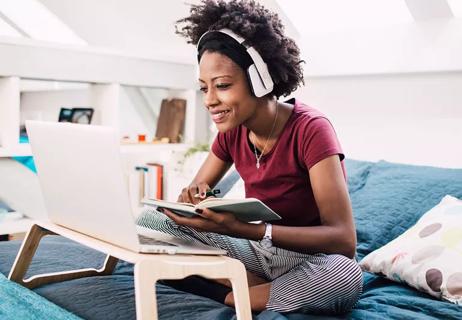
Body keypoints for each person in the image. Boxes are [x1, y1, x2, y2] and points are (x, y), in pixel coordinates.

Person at [137, 0, 363, 314]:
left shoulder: (312, 129)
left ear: (261, 79)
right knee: (149, 220)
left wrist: (245, 229)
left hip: (308, 258)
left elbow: (343, 240)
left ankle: (230, 294)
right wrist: (196, 202)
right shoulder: (232, 129)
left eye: (223, 86)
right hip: (256, 251)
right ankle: (254, 286)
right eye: (204, 88)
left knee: (345, 276)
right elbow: (199, 190)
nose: (210, 101)